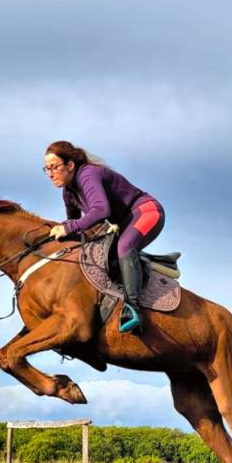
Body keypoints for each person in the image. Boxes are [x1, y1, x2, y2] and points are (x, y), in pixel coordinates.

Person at [44, 140, 165, 334]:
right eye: (46, 169)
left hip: (147, 211)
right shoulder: (68, 192)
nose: (50, 174)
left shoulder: (87, 174)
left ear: (70, 165)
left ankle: (132, 309)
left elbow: (101, 210)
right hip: (125, 222)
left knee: (124, 247)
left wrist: (68, 228)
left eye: (54, 167)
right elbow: (76, 229)